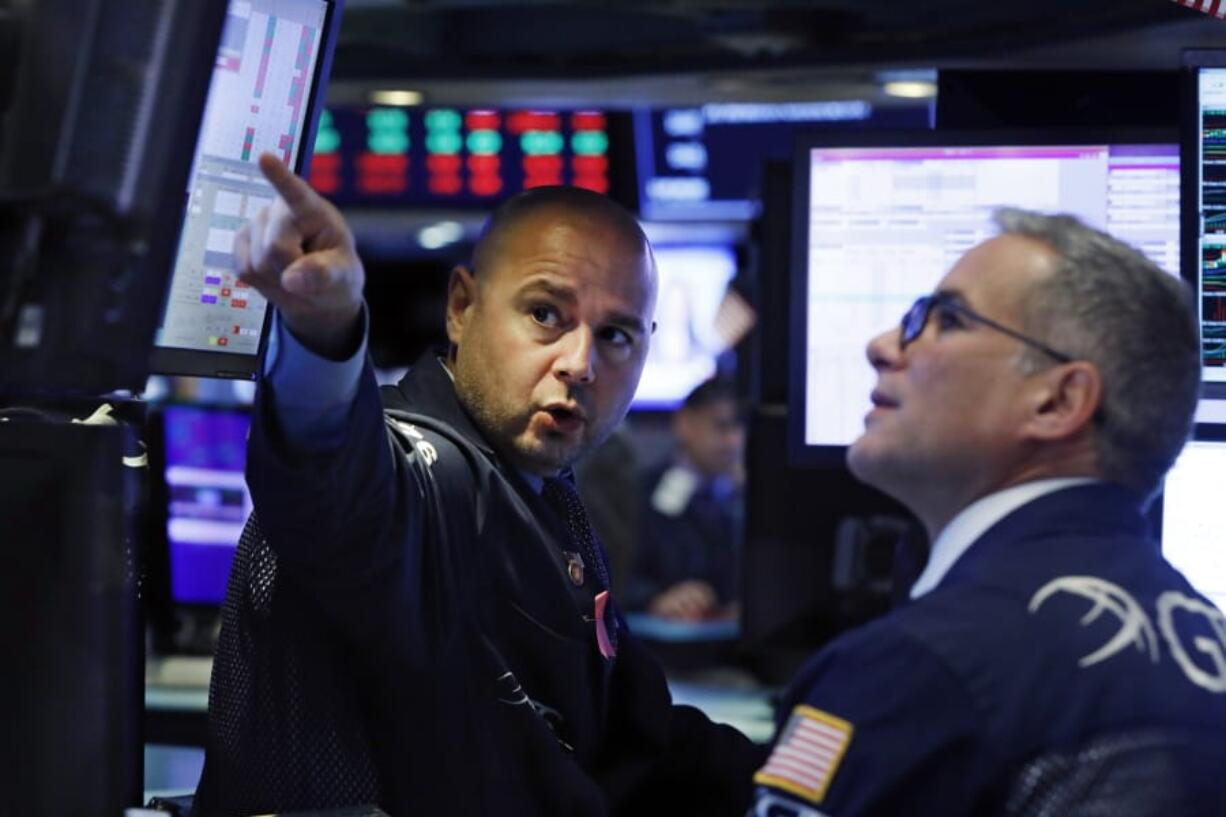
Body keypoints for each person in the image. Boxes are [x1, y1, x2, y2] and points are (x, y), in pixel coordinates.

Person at [193, 154, 763, 817]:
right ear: (462, 307)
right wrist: (324, 331)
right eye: (546, 314)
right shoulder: (423, 472)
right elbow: (333, 481)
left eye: (614, 334)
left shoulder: (550, 501)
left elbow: (638, 741)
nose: (580, 363)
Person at [749, 209, 1226, 817]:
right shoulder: (1209, 647)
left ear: (1059, 400)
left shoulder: (912, 670)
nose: (882, 346)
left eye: (946, 320)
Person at [626, 378, 745, 620]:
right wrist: (654, 599)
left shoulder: (745, 497)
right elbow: (618, 577)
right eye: (721, 426)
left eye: (740, 427)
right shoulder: (639, 492)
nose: (734, 441)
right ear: (684, 424)